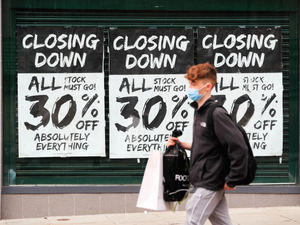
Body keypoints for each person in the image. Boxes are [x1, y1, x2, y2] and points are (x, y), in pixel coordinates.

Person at [167, 63, 248, 225]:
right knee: (222, 222)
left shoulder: (216, 113)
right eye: (189, 83)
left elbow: (239, 147)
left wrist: (233, 179)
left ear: (207, 86)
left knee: (192, 219)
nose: (189, 87)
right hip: (202, 178)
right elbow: (207, 146)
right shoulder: (199, 111)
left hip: (210, 180)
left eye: (193, 83)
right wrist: (182, 145)